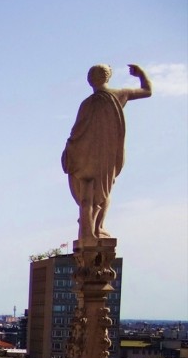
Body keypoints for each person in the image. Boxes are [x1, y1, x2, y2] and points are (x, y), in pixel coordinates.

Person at [62, 65, 151, 242]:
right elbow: (147, 91)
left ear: (89, 80)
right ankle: (96, 228)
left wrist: (69, 152)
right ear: (108, 77)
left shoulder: (87, 104)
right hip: (104, 158)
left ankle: (87, 232)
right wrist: (141, 74)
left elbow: (76, 132)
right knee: (102, 195)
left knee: (86, 196)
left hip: (83, 156)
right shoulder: (118, 94)